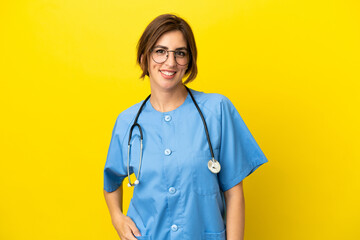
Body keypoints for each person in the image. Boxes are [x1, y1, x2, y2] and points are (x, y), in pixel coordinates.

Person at [103, 14, 268, 240]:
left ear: (189, 61)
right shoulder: (127, 122)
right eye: (160, 51)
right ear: (144, 59)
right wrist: (117, 218)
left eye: (180, 53)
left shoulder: (217, 110)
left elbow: (234, 193)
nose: (170, 62)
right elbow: (111, 181)